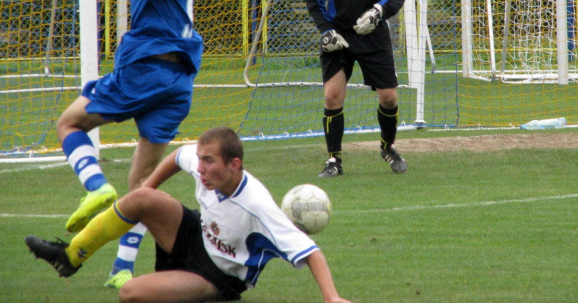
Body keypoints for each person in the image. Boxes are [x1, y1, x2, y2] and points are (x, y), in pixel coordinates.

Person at [2, 0, 214, 288]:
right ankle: (119, 268)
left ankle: (97, 188)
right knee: (142, 189)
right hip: (178, 85)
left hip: (145, 73)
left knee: (69, 123)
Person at [25, 127, 354, 303]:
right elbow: (179, 156)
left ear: (233, 165)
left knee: (131, 294)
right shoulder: (203, 166)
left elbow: (311, 251)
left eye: (209, 161)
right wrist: (148, 190)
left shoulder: (258, 206)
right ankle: (69, 257)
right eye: (201, 159)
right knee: (141, 197)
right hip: (194, 234)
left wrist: (332, 297)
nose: (201, 167)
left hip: (216, 276)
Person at [304, 0, 407, 178]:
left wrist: (378, 12)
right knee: (332, 96)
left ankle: (388, 147)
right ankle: (334, 160)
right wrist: (326, 30)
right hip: (339, 37)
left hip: (373, 36)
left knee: (388, 97)